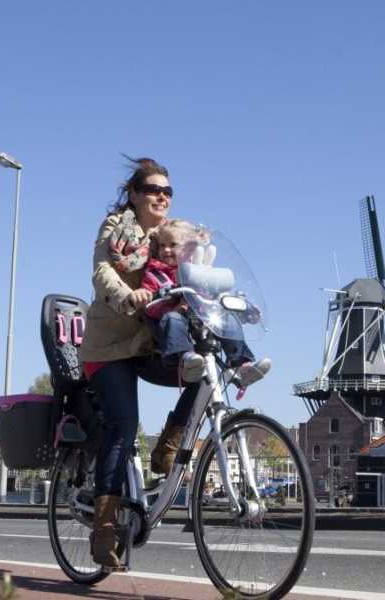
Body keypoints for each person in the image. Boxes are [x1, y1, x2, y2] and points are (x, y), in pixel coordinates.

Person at [79, 157, 198, 569]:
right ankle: (105, 531)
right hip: (110, 345)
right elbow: (102, 273)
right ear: (134, 194)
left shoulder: (173, 235)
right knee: (123, 426)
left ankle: (167, 448)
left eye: (168, 191)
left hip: (145, 344)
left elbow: (198, 271)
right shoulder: (117, 230)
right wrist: (127, 295)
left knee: (200, 373)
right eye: (154, 190)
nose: (162, 196)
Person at [141, 218, 270, 391]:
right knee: (172, 319)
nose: (166, 250)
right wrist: (166, 299)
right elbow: (150, 304)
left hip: (202, 324)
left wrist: (245, 309)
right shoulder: (155, 273)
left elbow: (219, 296)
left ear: (190, 248)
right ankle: (186, 359)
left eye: (173, 245)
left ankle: (241, 365)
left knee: (228, 318)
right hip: (176, 324)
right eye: (162, 245)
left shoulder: (200, 271)